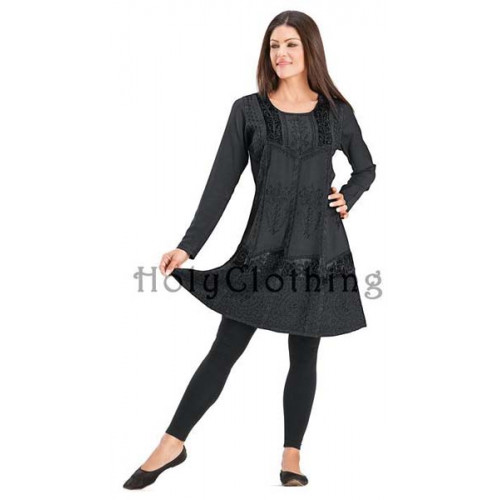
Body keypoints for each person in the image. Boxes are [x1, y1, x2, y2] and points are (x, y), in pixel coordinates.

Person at [123, 9, 376, 490]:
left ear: (310, 50)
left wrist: (349, 196)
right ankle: (172, 444)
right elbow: (221, 184)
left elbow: (366, 167)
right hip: (262, 252)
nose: (281, 53)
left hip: (320, 250)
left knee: (304, 354)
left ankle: (291, 456)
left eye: (291, 44)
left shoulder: (337, 113)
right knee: (225, 348)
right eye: (274, 45)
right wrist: (188, 246)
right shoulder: (248, 111)